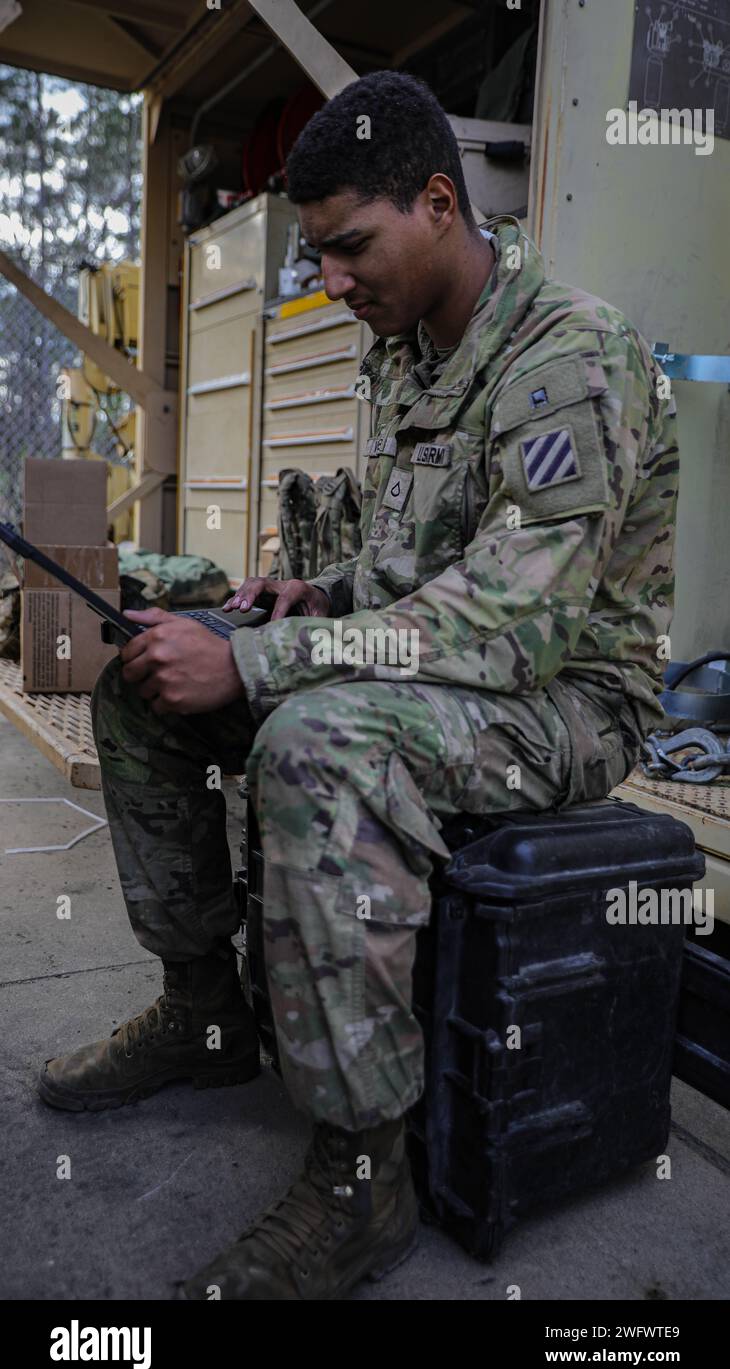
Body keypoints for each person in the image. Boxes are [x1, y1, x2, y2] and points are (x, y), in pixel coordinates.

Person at [38, 71, 679, 1301]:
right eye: (319, 253)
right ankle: (205, 1014)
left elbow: (521, 621)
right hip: (457, 661)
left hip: (567, 701)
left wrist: (271, 658)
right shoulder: (405, 352)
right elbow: (424, 556)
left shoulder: (571, 352)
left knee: (320, 744)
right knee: (144, 680)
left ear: (438, 202)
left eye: (347, 248)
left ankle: (360, 1179)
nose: (328, 283)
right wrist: (316, 596)